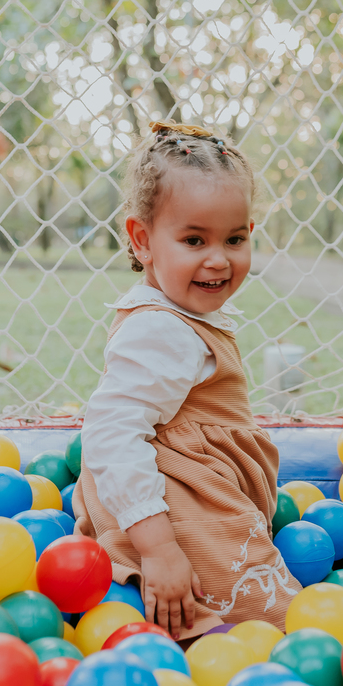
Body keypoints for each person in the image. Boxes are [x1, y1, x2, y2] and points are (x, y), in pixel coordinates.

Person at [71, 120, 301, 640]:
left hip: (178, 493)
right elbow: (110, 431)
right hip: (178, 514)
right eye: (194, 239)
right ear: (142, 240)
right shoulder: (162, 328)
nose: (219, 259)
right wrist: (161, 550)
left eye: (235, 238)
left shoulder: (172, 315)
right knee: (276, 626)